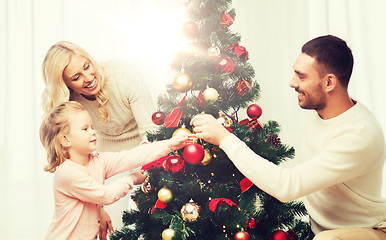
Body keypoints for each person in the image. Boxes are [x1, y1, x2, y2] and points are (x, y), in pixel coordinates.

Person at [190, 35, 386, 240]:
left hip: (369, 231)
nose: (292, 83)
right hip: (323, 228)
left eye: (301, 77)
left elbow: (286, 187)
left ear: (329, 82)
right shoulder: (325, 110)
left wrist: (224, 139)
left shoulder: (357, 136)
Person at [41, 41, 157, 238]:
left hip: (142, 143)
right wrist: (98, 208)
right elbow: (77, 165)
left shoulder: (123, 76)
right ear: (65, 84)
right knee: (114, 225)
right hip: (104, 151)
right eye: (76, 77)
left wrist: (148, 170)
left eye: (87, 66)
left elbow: (151, 131)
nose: (88, 78)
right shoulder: (69, 102)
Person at [40, 101, 192, 240]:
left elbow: (132, 157)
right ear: (66, 139)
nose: (93, 132)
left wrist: (170, 144)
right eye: (85, 129)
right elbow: (105, 195)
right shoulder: (67, 173)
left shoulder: (98, 160)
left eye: (92, 127)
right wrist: (133, 178)